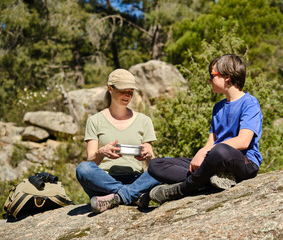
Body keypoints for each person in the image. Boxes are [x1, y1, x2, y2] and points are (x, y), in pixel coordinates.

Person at [148, 54, 263, 204]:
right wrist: (202, 153)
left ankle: (181, 189)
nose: (209, 80)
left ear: (227, 76)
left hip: (244, 163)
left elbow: (243, 141)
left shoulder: (250, 103)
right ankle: (208, 180)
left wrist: (206, 151)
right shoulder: (218, 107)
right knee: (155, 165)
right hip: (214, 162)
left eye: (212, 75)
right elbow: (211, 142)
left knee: (220, 151)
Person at [76, 69, 161, 213]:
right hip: (104, 181)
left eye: (131, 91)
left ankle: (118, 197)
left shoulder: (144, 121)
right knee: (82, 169)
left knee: (164, 166)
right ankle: (132, 196)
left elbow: (151, 164)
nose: (127, 95)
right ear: (110, 89)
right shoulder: (94, 121)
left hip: (136, 179)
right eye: (123, 90)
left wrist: (148, 156)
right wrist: (102, 152)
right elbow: (91, 161)